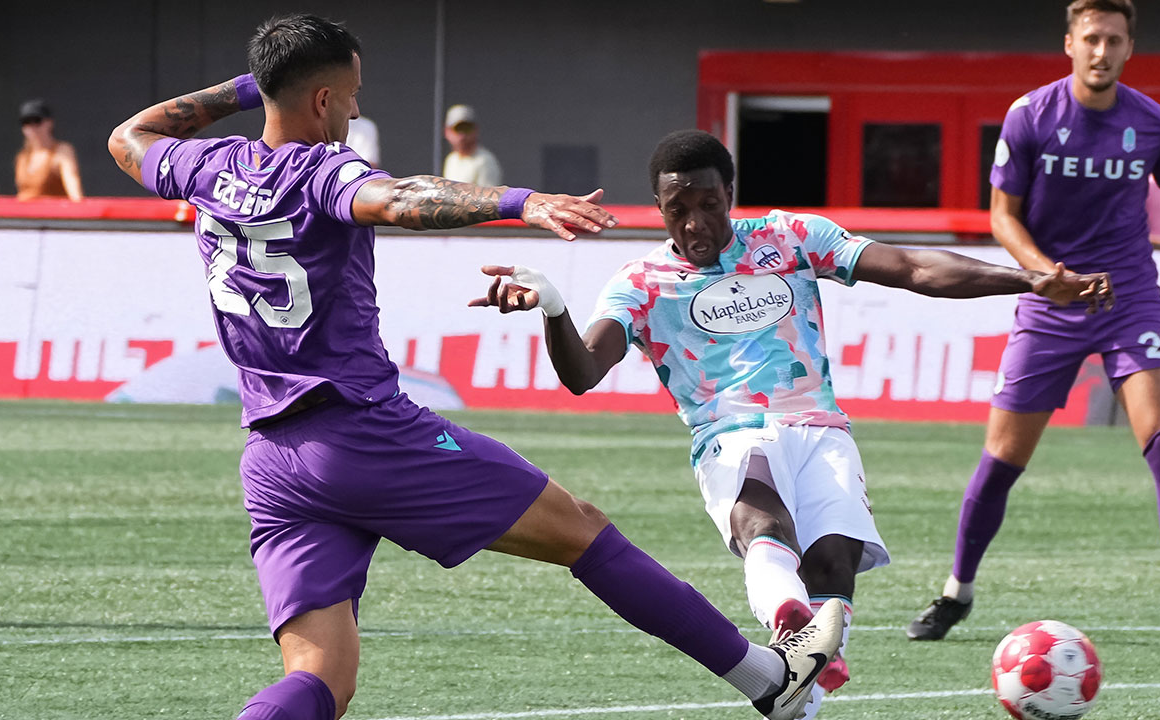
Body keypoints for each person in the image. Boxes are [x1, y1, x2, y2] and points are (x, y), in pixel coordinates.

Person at [106, 15, 845, 720]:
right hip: (364, 434)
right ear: (324, 98)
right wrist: (518, 201)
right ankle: (768, 681)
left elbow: (128, 136)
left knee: (320, 677)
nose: (357, 108)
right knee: (584, 533)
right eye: (353, 93)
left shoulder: (204, 166)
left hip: (273, 459)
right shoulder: (322, 172)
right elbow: (399, 199)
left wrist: (252, 86)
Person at [468, 129, 1112, 715]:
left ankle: (796, 696)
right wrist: (553, 308)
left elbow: (915, 268)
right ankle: (788, 622)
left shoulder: (791, 239)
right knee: (763, 524)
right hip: (729, 434)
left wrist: (1028, 281)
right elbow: (583, 372)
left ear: (731, 195)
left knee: (835, 561)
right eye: (678, 209)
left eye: (710, 204)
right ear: (660, 208)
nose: (696, 222)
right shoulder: (640, 282)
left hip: (820, 428)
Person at [906, 0, 1160, 651]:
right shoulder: (1030, 115)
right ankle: (956, 592)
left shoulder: (1155, 124)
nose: (1102, 51)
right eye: (1091, 38)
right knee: (1002, 460)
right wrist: (1047, 273)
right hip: (1050, 306)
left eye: (1115, 40)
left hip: (1131, 304)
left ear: (1130, 48)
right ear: (1069, 43)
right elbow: (1002, 218)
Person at [15, 99, 83, 201]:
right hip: (25, 214)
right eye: (26, 122)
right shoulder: (22, 157)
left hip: (51, 215)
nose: (32, 128)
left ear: (49, 123)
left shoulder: (62, 151)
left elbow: (74, 190)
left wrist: (79, 208)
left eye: (37, 121)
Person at [442, 103, 502, 185]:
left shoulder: (485, 161)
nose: (462, 135)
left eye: (466, 128)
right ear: (447, 132)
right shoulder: (451, 159)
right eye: (457, 129)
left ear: (476, 130)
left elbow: (488, 196)